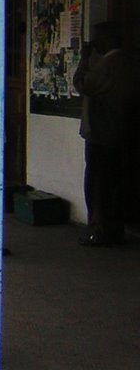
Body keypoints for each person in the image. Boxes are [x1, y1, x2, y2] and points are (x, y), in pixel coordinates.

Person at [72, 22, 134, 246]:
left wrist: (84, 58)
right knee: (112, 183)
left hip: (101, 133)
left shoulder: (110, 64)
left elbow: (82, 83)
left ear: (108, 39)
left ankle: (98, 230)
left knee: (98, 184)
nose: (95, 42)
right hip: (117, 132)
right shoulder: (126, 63)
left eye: (98, 38)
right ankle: (112, 228)